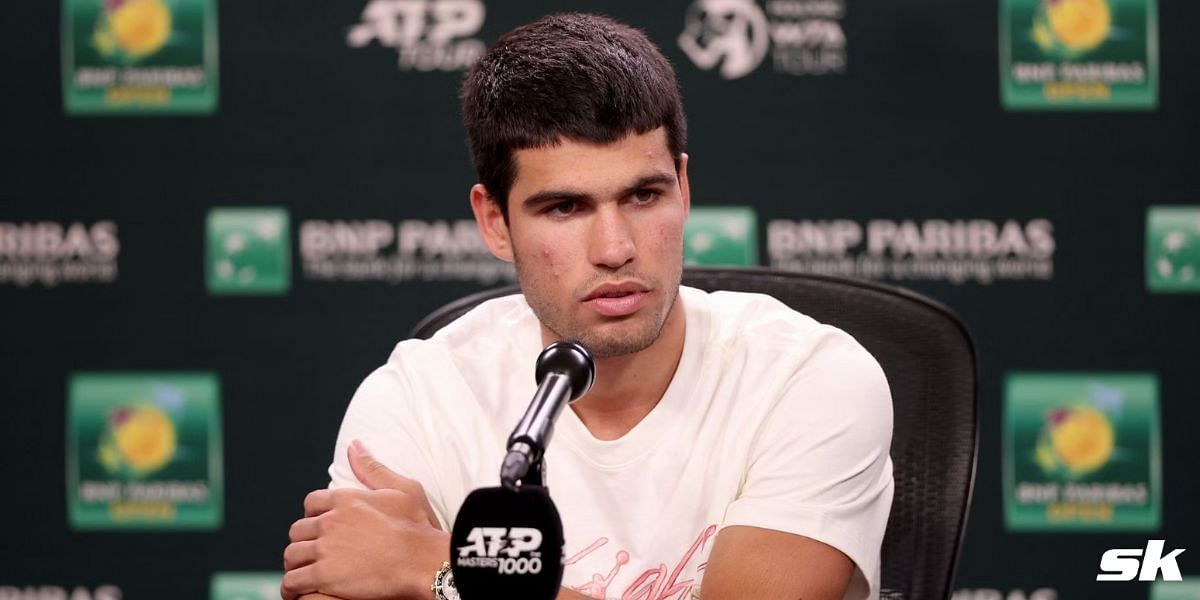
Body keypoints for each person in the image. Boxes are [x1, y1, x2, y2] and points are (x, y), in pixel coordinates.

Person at [281, 12, 893, 600]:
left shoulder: (810, 378)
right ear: (495, 222)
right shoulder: (419, 396)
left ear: (683, 190)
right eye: (565, 208)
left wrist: (439, 568)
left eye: (644, 195)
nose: (616, 248)